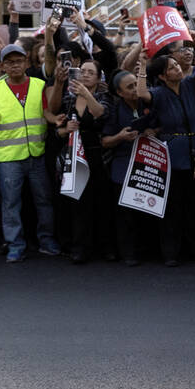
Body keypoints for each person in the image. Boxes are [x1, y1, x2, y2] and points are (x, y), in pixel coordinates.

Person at [0, 43, 63, 263]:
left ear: (26, 63)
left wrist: (54, 119)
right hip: (9, 158)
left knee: (43, 200)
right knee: (10, 203)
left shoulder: (38, 84)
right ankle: (15, 245)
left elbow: (45, 111)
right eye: (10, 62)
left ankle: (46, 241)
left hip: (37, 154)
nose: (15, 65)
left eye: (19, 61)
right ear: (2, 67)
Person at [149, 49, 195, 266]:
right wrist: (140, 64)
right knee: (173, 208)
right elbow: (141, 94)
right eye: (172, 67)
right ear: (162, 76)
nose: (178, 69)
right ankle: (171, 253)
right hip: (174, 160)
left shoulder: (189, 85)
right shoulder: (158, 93)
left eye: (177, 65)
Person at [56, 58, 113, 264]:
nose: (86, 74)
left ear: (98, 77)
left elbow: (100, 114)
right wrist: (65, 129)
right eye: (83, 71)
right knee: (78, 203)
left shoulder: (104, 96)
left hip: (97, 155)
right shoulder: (69, 99)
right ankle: (79, 248)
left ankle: (105, 247)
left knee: (102, 202)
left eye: (90, 72)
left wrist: (87, 94)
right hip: (74, 155)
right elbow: (58, 129)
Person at [101, 68, 155, 267]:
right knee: (125, 215)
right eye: (129, 87)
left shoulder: (149, 103)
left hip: (148, 165)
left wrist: (153, 130)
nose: (135, 90)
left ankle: (148, 249)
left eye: (136, 84)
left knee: (147, 211)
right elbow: (105, 141)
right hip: (123, 166)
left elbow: (162, 124)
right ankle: (128, 253)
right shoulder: (115, 111)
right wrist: (120, 137)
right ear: (119, 93)